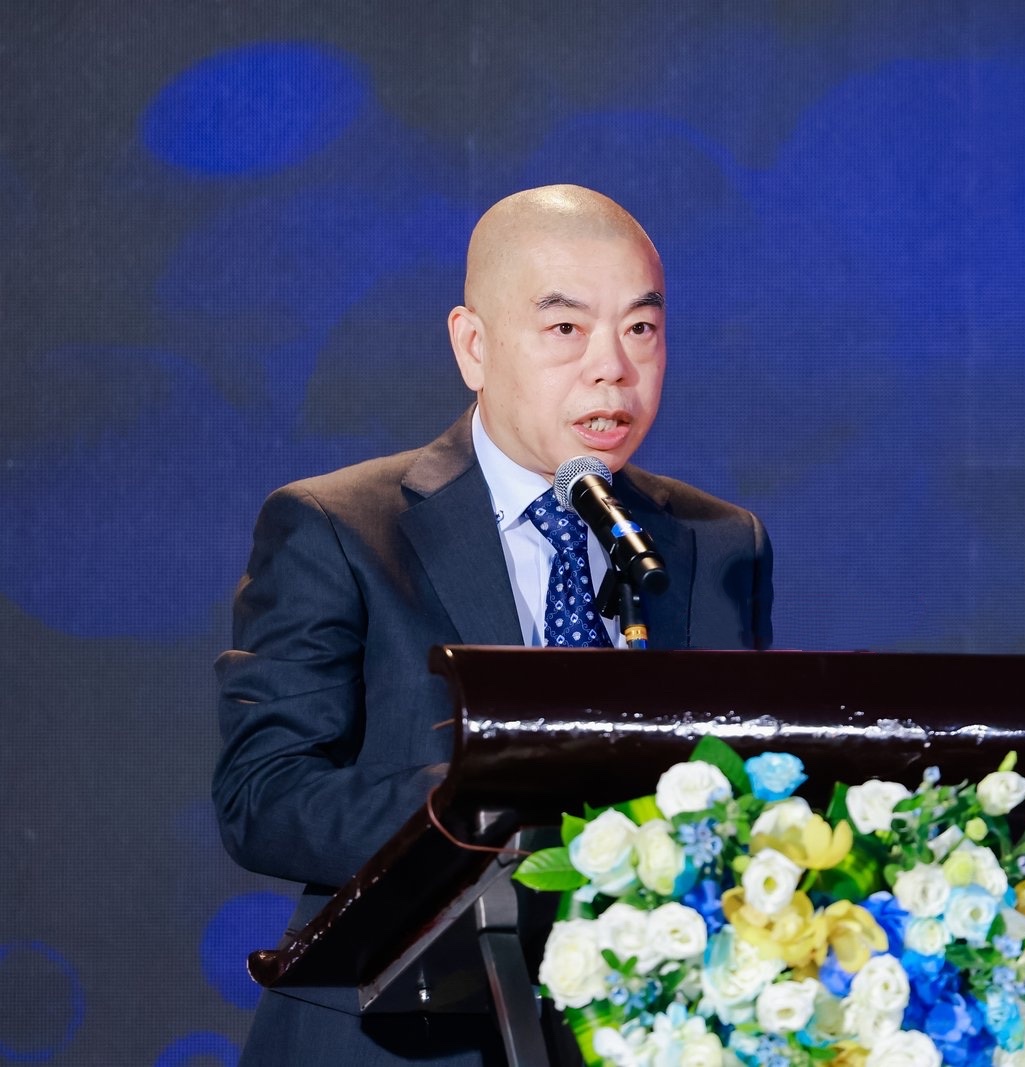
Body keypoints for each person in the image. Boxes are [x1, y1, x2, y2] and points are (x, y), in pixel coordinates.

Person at [212, 185, 774, 1065]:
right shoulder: (339, 528)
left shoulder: (715, 542)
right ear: (474, 346)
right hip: (393, 1038)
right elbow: (264, 798)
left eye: (641, 328)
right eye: (566, 328)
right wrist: (508, 805)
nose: (612, 368)